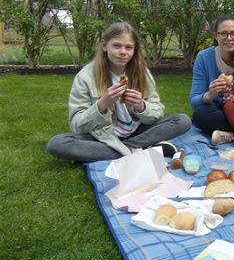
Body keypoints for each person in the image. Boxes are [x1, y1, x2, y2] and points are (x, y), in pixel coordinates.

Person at [47, 22, 191, 163]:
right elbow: (77, 125)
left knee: (183, 120)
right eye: (117, 45)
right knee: (57, 144)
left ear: (134, 50)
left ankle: (124, 150)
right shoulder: (85, 77)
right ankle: (138, 150)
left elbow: (158, 112)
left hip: (138, 132)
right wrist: (102, 104)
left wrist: (141, 106)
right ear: (104, 46)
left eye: (129, 47)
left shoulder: (142, 73)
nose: (123, 52)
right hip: (103, 135)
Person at [189, 14, 234, 144]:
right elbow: (194, 101)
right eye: (223, 33)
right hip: (221, 113)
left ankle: (232, 134)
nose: (229, 38)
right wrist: (209, 95)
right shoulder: (204, 57)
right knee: (200, 115)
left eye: (233, 33)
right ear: (216, 35)